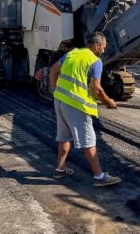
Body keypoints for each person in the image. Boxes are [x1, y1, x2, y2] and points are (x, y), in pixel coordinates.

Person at [49, 32, 122, 187]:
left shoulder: (71, 54)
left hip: (60, 101)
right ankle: (99, 177)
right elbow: (97, 89)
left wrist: (55, 91)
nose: (103, 51)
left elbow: (53, 71)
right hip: (76, 105)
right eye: (103, 47)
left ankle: (60, 169)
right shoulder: (95, 61)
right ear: (96, 46)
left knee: (64, 137)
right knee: (88, 141)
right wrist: (109, 101)